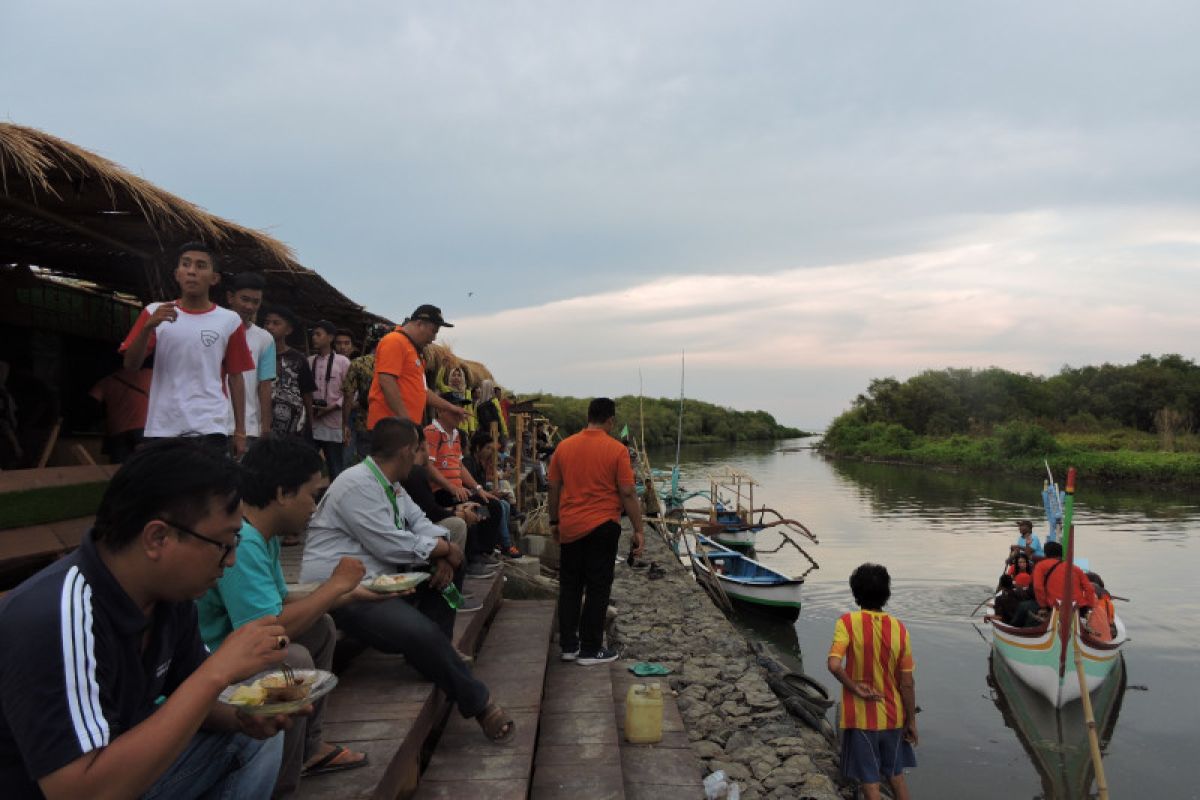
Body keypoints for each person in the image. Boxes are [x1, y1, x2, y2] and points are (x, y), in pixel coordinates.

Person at [0, 439, 295, 799]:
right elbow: (77, 792)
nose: (231, 560)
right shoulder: (59, 614)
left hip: (116, 773)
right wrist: (215, 673)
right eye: (224, 544)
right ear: (157, 537)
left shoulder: (169, 596)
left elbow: (195, 698)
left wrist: (244, 717)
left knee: (249, 739)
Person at [299, 418, 515, 742]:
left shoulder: (391, 484)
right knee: (421, 626)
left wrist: (444, 550)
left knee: (452, 568)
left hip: (386, 579)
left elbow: (421, 524)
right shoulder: (356, 484)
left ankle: (437, 646)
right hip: (348, 591)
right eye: (418, 449)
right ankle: (480, 703)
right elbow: (389, 543)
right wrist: (444, 548)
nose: (421, 456)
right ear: (404, 452)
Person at [196, 437, 370, 797]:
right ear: (282, 493)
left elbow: (281, 600)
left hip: (235, 648)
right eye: (311, 494)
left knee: (320, 627)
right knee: (291, 658)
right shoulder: (241, 542)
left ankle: (309, 749)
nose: (315, 506)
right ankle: (281, 787)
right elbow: (268, 630)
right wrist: (333, 586)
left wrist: (346, 592)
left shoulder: (263, 534)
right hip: (209, 663)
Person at [120, 242, 254, 456]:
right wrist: (147, 329)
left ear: (214, 278)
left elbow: (236, 377)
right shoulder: (154, 312)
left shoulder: (229, 320)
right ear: (177, 274)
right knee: (165, 489)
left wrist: (240, 432)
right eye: (186, 264)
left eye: (201, 266)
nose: (192, 271)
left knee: (208, 489)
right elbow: (130, 365)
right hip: (163, 425)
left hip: (210, 426)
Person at [547, 397, 644, 666]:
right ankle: (590, 649)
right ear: (610, 421)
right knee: (598, 587)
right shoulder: (617, 450)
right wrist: (639, 529)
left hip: (570, 526)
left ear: (588, 417)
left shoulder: (563, 447)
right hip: (603, 526)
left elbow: (553, 488)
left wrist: (554, 522)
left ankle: (569, 646)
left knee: (570, 586)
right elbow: (627, 492)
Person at [826, 563, 917, 800]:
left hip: (861, 717)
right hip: (894, 715)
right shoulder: (900, 629)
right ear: (886, 594)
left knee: (870, 781)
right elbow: (907, 683)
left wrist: (855, 687)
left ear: (856, 592)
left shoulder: (846, 623)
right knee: (896, 776)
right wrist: (911, 720)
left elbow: (834, 665)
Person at [425, 394, 504, 568]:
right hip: (440, 491)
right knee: (478, 508)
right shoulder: (432, 431)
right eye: (455, 408)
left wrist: (478, 488)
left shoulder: (456, 434)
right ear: (440, 410)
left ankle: (482, 551)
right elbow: (427, 467)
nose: (460, 413)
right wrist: (452, 487)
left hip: (455, 490)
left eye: (462, 408)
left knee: (490, 504)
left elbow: (459, 466)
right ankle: (473, 557)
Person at [399, 435, 488, 587]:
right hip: (416, 530)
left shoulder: (415, 472)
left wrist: (458, 509)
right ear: (423, 446)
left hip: (426, 521)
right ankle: (453, 581)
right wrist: (459, 514)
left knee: (484, 508)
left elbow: (422, 513)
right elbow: (429, 513)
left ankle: (479, 554)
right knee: (459, 523)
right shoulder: (415, 473)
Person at [366, 305, 467, 429]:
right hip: (390, 427)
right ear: (420, 324)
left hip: (404, 426)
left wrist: (451, 407)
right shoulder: (394, 341)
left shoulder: (414, 351)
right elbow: (387, 381)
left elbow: (423, 390)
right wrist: (406, 420)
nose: (434, 338)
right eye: (434, 331)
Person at [224, 271, 276, 443]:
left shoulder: (265, 339)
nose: (249, 306)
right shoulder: (214, 330)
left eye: (256, 302)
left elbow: (265, 386)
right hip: (210, 423)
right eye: (244, 299)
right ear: (230, 297)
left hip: (248, 428)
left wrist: (265, 429)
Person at [464, 431, 522, 558]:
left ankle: (498, 543)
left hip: (480, 498)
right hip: (470, 502)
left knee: (505, 505)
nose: (490, 451)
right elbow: (469, 490)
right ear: (478, 448)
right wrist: (489, 494)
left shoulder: (480, 464)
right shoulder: (468, 463)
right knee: (497, 507)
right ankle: (503, 546)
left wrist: (491, 493)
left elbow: (481, 489)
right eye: (487, 448)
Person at [263, 306, 317, 440]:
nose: (269, 326)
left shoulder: (298, 359)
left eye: (276, 323)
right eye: (267, 322)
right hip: (261, 423)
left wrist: (310, 424)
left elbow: (307, 393)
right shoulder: (258, 355)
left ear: (288, 330)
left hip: (291, 428)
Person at [342, 323, 389, 466]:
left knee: (365, 462)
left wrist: (345, 424)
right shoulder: (393, 364)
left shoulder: (358, 363)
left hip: (364, 421)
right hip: (389, 422)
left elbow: (348, 397)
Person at [309, 320, 350, 478]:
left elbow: (350, 393)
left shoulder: (343, 362)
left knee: (335, 467)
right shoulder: (309, 361)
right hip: (314, 422)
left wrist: (332, 407)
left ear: (330, 338)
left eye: (318, 334)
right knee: (309, 466)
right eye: (313, 334)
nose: (314, 338)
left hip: (334, 423)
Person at [88, 365, 152, 463]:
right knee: (144, 465)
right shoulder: (149, 374)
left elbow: (92, 401)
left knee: (117, 468)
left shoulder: (106, 381)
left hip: (117, 431)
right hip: (142, 429)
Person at [1032, 541, 1097, 611]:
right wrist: (1090, 605)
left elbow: (1037, 587)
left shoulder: (1040, 566)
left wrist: (1043, 605)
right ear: (1061, 554)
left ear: (1045, 554)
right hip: (1078, 607)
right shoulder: (1075, 568)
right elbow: (1089, 588)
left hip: (1055, 607)